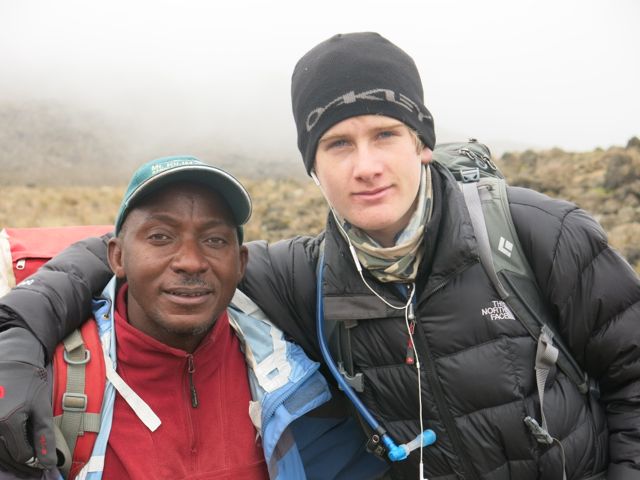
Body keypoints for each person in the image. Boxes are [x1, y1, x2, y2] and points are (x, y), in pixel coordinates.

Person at [1, 32, 639, 480]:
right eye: (337, 144)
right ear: (313, 167)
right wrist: (18, 343)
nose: (366, 166)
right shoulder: (305, 275)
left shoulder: (535, 234)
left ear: (422, 143)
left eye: (385, 134)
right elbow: (142, 254)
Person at [0, 155, 386, 480]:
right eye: (160, 237)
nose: (190, 261)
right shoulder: (44, 382)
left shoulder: (296, 376)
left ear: (241, 263)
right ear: (117, 257)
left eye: (214, 240)